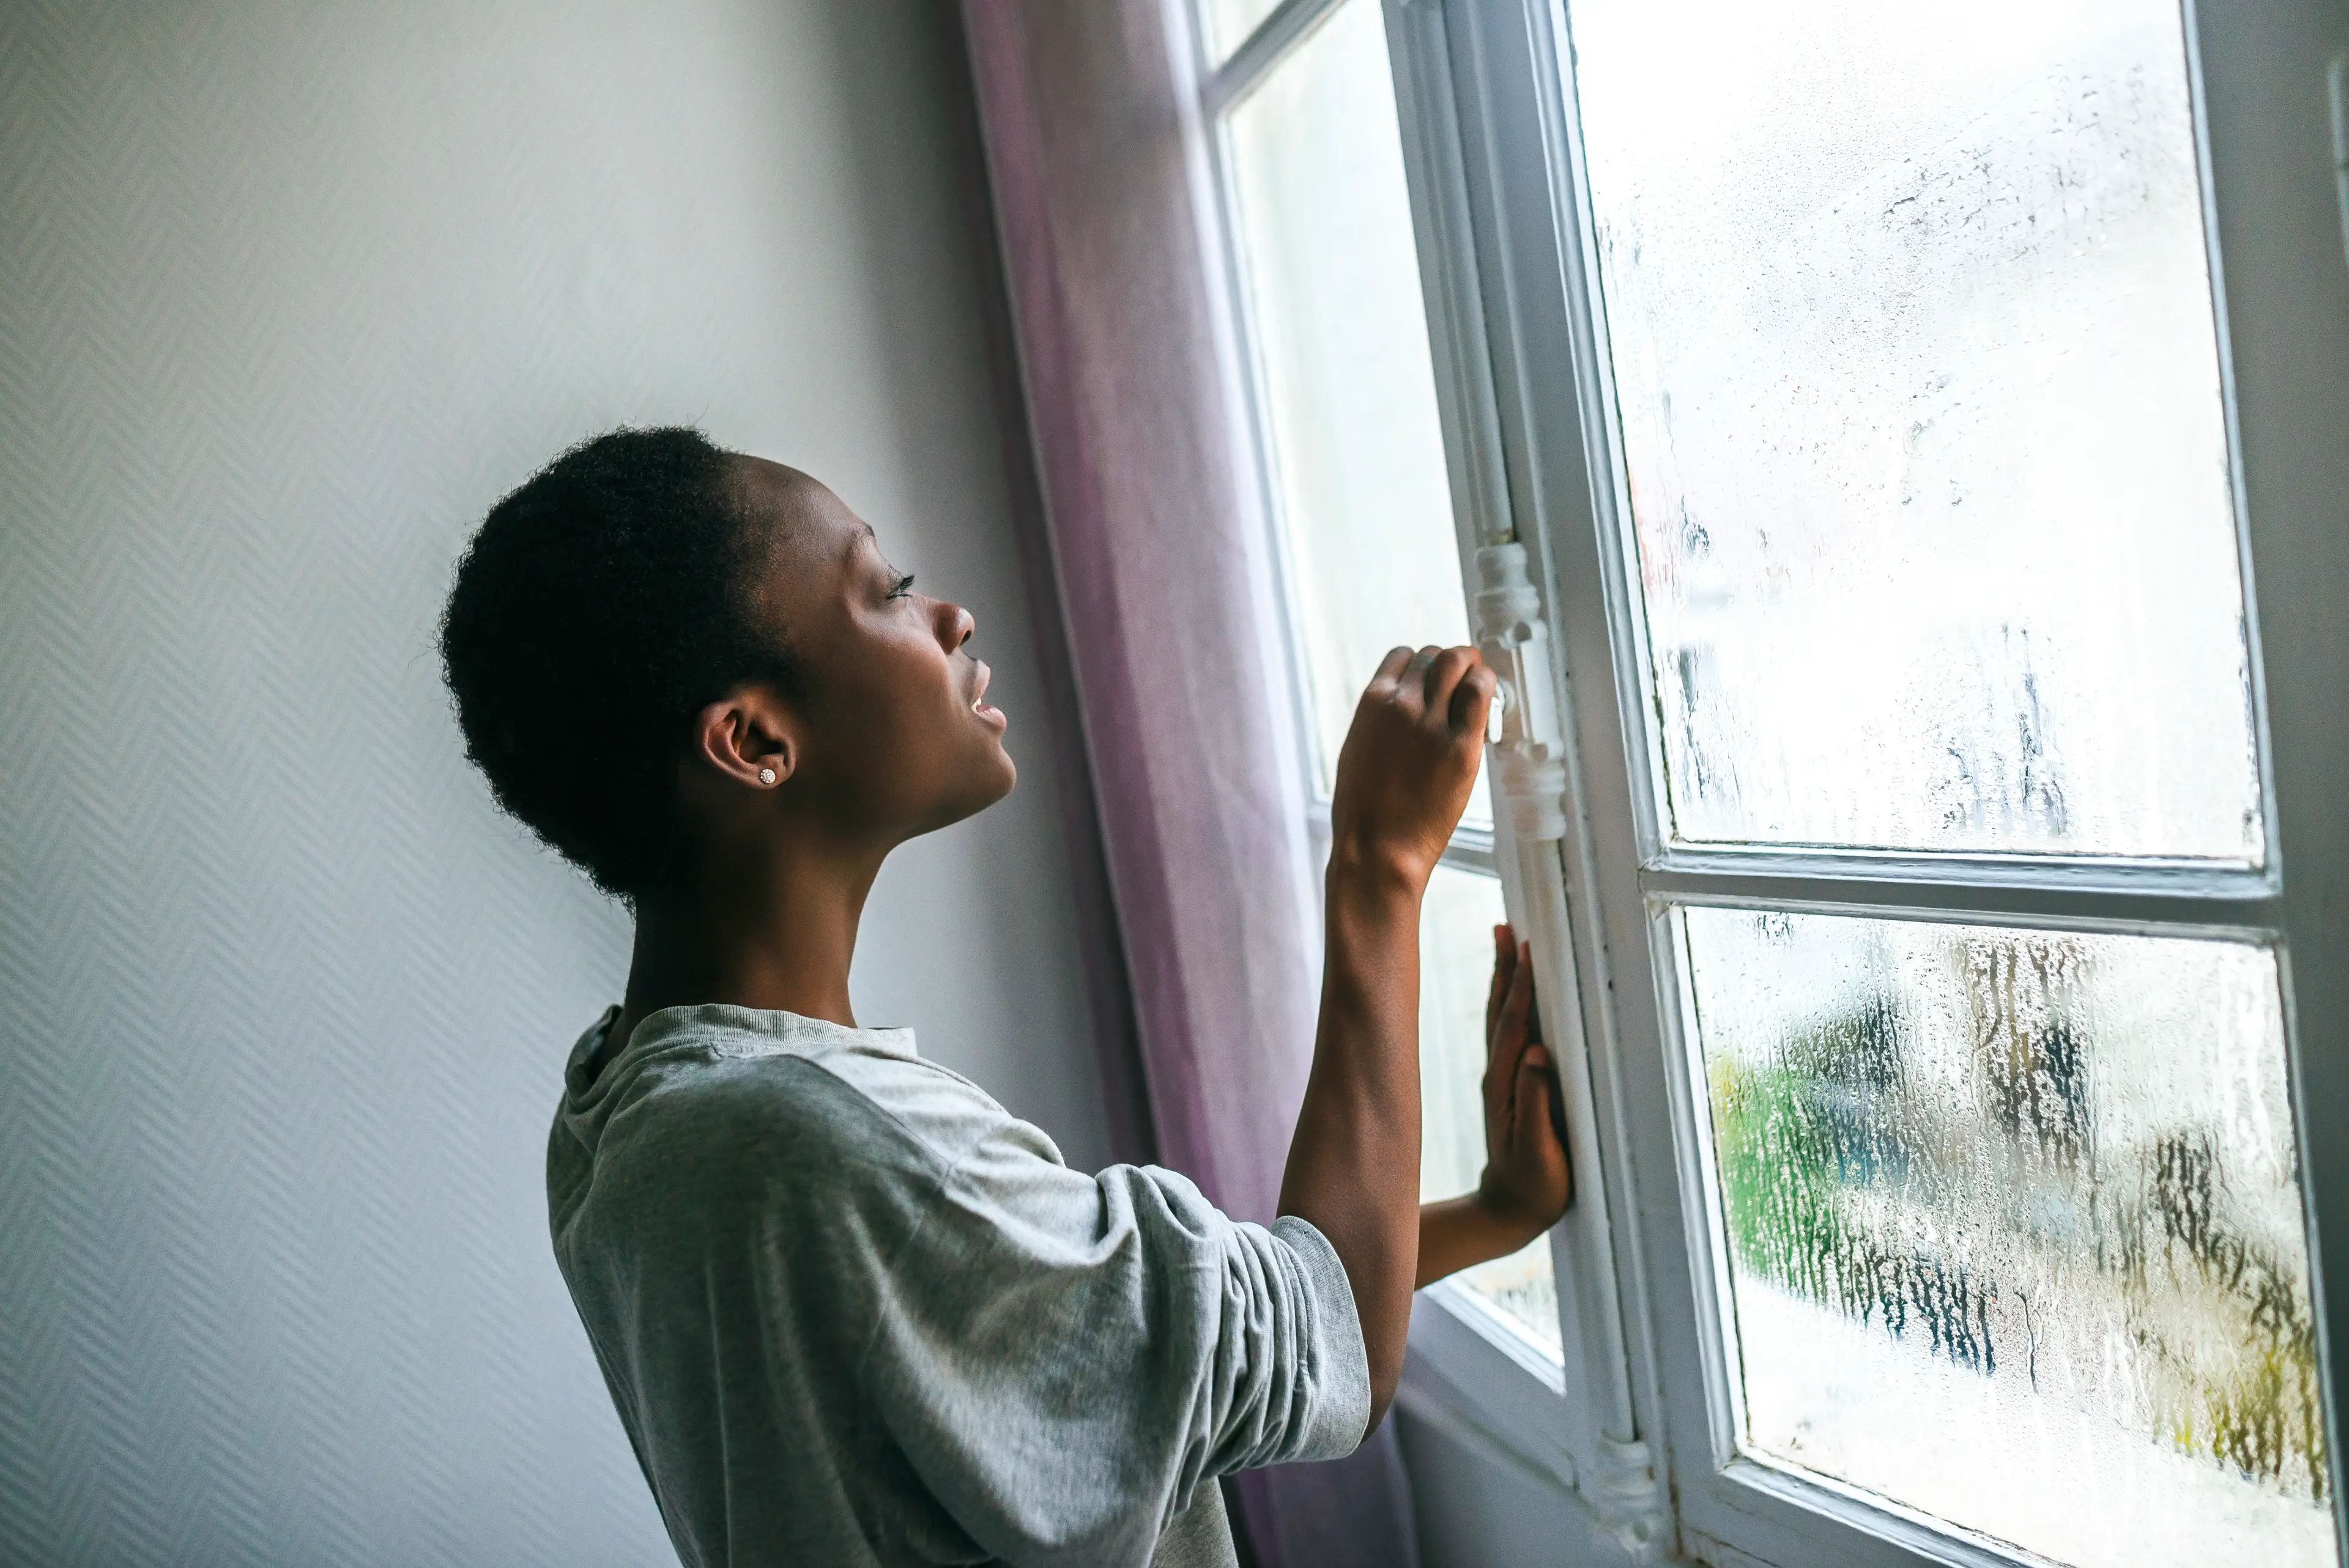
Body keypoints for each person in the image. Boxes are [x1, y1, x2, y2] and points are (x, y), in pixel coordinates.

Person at [438, 426, 1571, 1568]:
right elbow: (1331, 1340)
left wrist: (1493, 1213)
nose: (952, 618)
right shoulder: (824, 1151)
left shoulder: (617, 1118)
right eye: (889, 589)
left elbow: (1109, 1340)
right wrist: (1377, 865)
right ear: (755, 739)